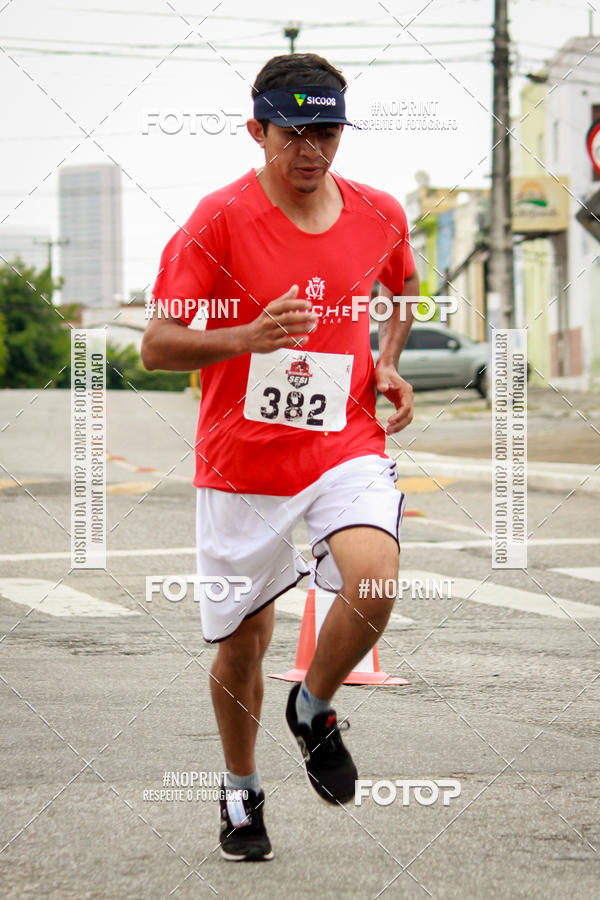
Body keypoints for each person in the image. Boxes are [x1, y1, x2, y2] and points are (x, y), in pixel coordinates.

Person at [142, 52, 420, 862]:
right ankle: (240, 793)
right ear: (257, 129)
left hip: (343, 443)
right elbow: (159, 345)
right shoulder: (217, 220)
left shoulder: (378, 212)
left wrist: (390, 360)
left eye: (326, 131)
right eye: (292, 132)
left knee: (373, 578)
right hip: (244, 462)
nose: (311, 150)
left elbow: (399, 290)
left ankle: (315, 707)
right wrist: (246, 336)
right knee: (244, 641)